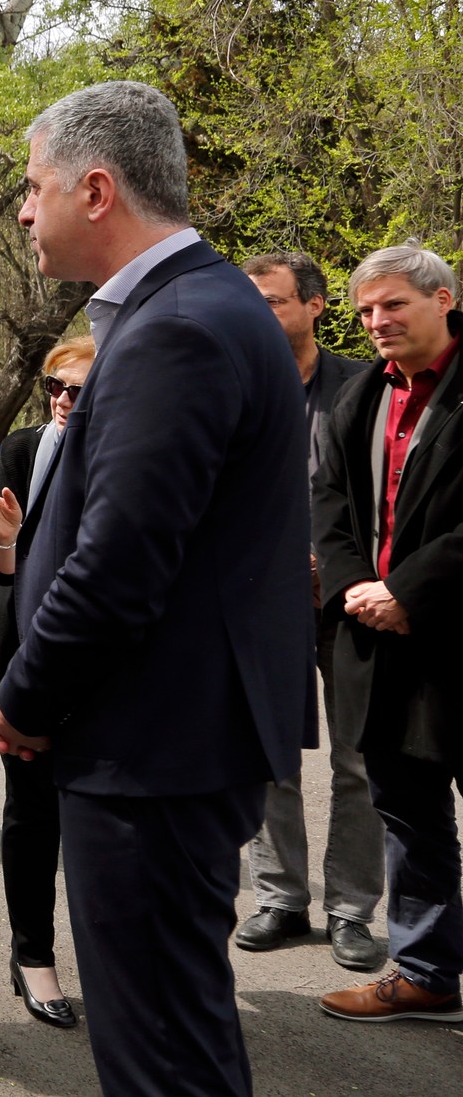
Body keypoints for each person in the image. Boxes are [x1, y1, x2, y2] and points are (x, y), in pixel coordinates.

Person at [0, 80, 309, 1096]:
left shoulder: (179, 327)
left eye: (31, 188)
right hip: (167, 745)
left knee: (160, 1055)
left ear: (94, 190)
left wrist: (24, 701)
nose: (22, 213)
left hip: (153, 755)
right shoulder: (195, 308)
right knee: (174, 1036)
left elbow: (119, 565)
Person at [313, 245, 463, 1024]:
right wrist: (355, 589)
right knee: (409, 814)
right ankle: (429, 974)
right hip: (378, 642)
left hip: (451, 628)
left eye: (393, 304)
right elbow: (329, 499)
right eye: (366, 310)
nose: (376, 322)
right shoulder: (363, 393)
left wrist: (410, 590)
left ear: (443, 299)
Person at [234, 251, 385, 970]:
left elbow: (388, 494)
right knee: (269, 755)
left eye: (271, 301)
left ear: (315, 306)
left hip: (351, 601)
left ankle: (351, 910)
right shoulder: (232, 387)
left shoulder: (363, 386)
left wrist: (341, 563)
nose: (257, 315)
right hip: (261, 601)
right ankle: (281, 899)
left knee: (360, 758)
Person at [0, 334, 94, 1030]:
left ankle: (114, 962)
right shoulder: (23, 448)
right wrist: (10, 539)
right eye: (55, 387)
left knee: (99, 817)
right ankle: (33, 954)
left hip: (102, 657)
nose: (64, 400)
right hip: (22, 647)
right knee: (34, 809)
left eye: (79, 389)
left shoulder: (128, 451)